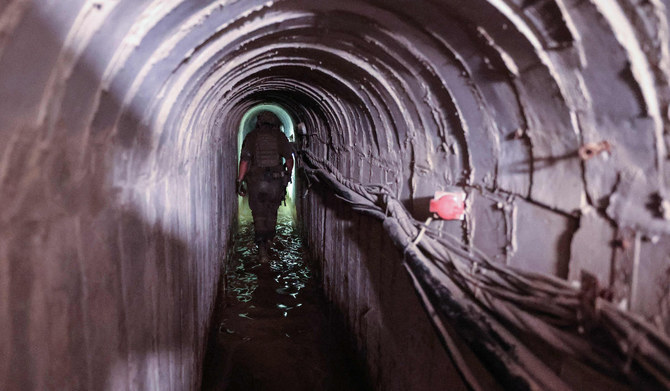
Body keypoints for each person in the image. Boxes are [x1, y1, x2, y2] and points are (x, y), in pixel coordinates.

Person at [236, 111, 294, 262]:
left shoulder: (252, 136)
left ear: (259, 123)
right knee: (272, 210)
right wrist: (288, 174)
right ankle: (269, 240)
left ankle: (262, 248)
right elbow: (289, 159)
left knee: (258, 213)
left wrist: (240, 180)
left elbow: (244, 161)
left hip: (256, 182)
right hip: (275, 182)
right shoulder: (280, 137)